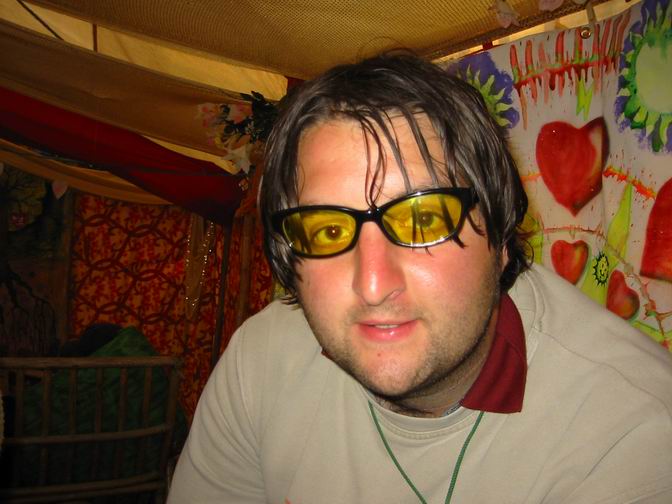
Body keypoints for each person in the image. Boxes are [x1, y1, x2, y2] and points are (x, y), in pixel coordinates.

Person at [168, 53, 672, 503]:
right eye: (328, 230)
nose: (373, 286)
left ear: (500, 238)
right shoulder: (261, 362)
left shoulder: (632, 437)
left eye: (424, 219)